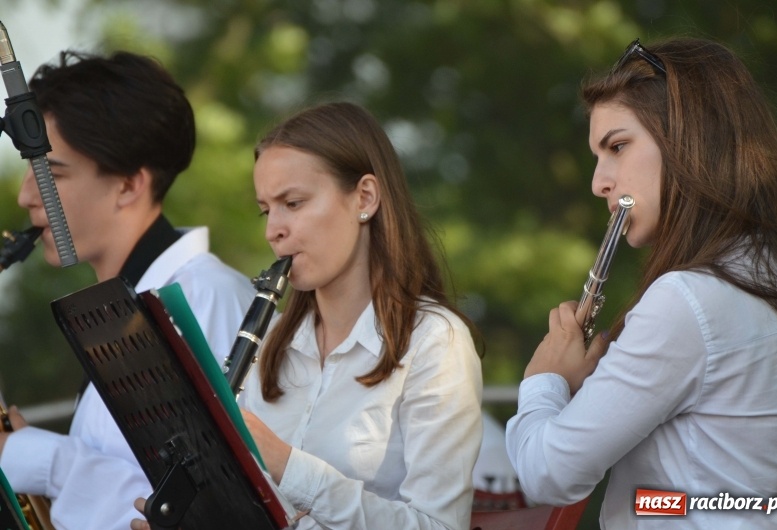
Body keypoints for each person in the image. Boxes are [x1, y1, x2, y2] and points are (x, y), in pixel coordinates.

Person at [131, 101, 484, 529]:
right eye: (266, 209)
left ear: (365, 198)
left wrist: (286, 464)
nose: (272, 230)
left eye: (293, 203)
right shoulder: (273, 341)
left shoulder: (434, 341)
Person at [506, 37, 777, 529]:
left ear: (691, 140)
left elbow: (548, 474)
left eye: (618, 146)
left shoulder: (688, 300)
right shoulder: (771, 273)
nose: (600, 182)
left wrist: (545, 380)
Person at [0, 50, 255, 530]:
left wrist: (39, 458)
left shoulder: (207, 299)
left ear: (128, 184)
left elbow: (214, 510)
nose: (26, 197)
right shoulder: (123, 304)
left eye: (52, 174)